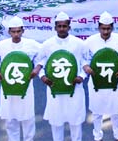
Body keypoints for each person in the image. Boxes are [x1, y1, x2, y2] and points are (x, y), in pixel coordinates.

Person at [36, 11, 87, 141]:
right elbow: (39, 62)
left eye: (64, 26)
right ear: (55, 28)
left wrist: (81, 76)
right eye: (59, 26)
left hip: (74, 88)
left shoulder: (79, 44)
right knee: (56, 121)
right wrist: (42, 77)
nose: (62, 29)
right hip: (54, 88)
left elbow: (85, 63)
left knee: (75, 121)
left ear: (69, 27)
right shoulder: (47, 44)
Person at [0, 16, 42, 141]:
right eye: (13, 31)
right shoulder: (2, 45)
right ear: (9, 32)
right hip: (7, 86)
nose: (16, 34)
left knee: (27, 116)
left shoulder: (31, 44)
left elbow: (44, 55)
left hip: (25, 85)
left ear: (23, 31)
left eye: (18, 31)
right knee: (10, 116)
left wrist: (38, 67)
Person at [83, 11, 118, 141]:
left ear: (112, 28)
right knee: (97, 112)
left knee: (116, 111)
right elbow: (84, 59)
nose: (106, 31)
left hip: (114, 81)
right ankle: (97, 136)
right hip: (97, 81)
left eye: (108, 28)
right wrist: (86, 67)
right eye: (103, 28)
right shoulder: (90, 41)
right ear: (99, 28)